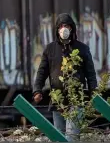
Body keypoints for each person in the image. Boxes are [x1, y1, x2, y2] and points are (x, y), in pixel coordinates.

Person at [32, 13, 97, 141]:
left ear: (72, 28)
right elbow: (42, 72)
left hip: (77, 100)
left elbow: (91, 74)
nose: (64, 28)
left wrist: (93, 93)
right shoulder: (50, 49)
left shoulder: (82, 49)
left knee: (71, 137)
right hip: (58, 101)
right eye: (61, 26)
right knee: (59, 138)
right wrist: (37, 90)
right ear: (57, 29)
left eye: (67, 25)